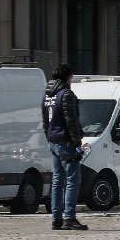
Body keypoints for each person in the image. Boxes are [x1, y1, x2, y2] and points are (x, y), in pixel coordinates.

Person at [42, 63, 87, 230]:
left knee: (57, 181)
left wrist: (49, 137)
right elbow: (71, 121)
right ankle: (69, 217)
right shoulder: (66, 94)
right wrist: (77, 143)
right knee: (73, 180)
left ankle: (56, 218)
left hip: (53, 141)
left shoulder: (47, 96)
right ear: (68, 77)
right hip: (66, 141)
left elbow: (45, 121)